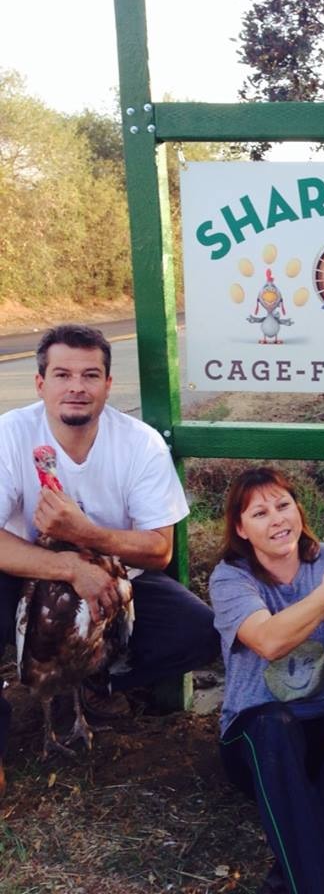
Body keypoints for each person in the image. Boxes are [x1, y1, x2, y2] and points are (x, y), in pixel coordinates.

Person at [0, 324, 219, 794]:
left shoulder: (139, 443)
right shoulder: (10, 434)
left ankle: (94, 680)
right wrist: (71, 568)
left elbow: (159, 549)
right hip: (26, 569)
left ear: (108, 384)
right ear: (40, 383)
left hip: (119, 577)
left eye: (90, 375)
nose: (76, 387)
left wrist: (86, 535)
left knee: (201, 631)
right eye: (62, 375)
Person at [210, 467, 324, 894]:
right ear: (240, 528)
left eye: (283, 505)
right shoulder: (230, 577)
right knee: (272, 723)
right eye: (259, 513)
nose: (277, 519)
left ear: (299, 510)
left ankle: (289, 875)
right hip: (258, 744)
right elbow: (269, 642)